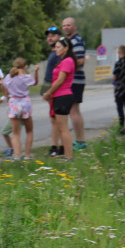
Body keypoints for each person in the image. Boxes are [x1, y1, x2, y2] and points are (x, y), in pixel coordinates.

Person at [42, 36, 77, 160]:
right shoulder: (64, 61)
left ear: (66, 48)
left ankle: (69, 156)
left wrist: (48, 93)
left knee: (63, 128)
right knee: (61, 127)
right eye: (55, 47)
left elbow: (60, 80)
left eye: (58, 47)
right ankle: (67, 155)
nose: (55, 49)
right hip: (60, 96)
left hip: (62, 95)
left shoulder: (67, 61)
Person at [1, 57, 39, 159]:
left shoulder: (9, 77)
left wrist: (8, 97)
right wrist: (36, 72)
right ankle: (27, 154)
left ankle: (17, 156)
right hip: (25, 103)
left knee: (16, 133)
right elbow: (35, 82)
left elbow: (4, 87)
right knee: (29, 130)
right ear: (25, 66)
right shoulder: (27, 77)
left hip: (14, 103)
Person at [61, 17, 87, 149]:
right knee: (75, 110)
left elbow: (80, 60)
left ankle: (80, 141)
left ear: (74, 26)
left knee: (73, 111)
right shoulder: (68, 41)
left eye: (69, 25)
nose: (66, 27)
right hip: (73, 79)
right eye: (64, 25)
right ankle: (80, 140)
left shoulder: (76, 41)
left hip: (75, 79)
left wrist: (66, 67)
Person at [41, 27, 63, 156]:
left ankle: (56, 147)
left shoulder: (58, 54)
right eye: (48, 35)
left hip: (54, 87)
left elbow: (59, 74)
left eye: (53, 35)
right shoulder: (53, 52)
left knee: (56, 119)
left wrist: (49, 91)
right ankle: (57, 146)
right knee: (54, 118)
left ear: (59, 37)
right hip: (49, 85)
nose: (50, 37)